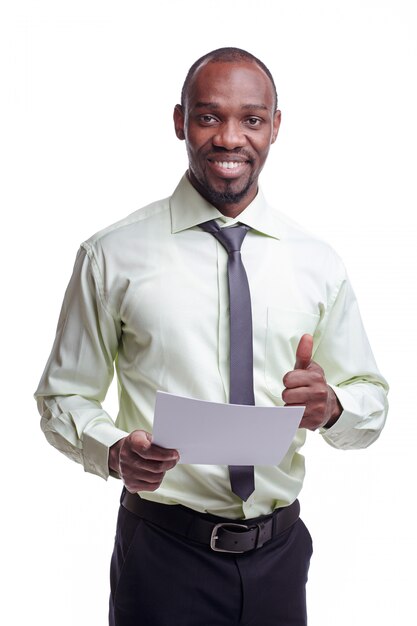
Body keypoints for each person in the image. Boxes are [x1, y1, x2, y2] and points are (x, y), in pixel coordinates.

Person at [35, 47, 389, 626]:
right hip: (162, 556)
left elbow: (372, 400)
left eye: (251, 119)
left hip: (280, 556)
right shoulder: (112, 254)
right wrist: (114, 452)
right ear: (180, 121)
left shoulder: (317, 263)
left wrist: (332, 407)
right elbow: (62, 396)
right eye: (208, 117)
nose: (230, 138)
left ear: (275, 126)